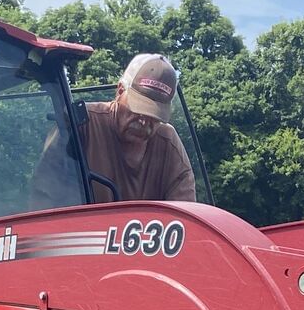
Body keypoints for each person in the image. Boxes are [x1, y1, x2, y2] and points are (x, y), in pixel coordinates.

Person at [30, 53, 197, 208]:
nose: (144, 121)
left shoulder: (168, 144)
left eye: (154, 117)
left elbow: (185, 214)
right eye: (138, 109)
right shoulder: (80, 124)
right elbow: (44, 197)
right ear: (120, 90)